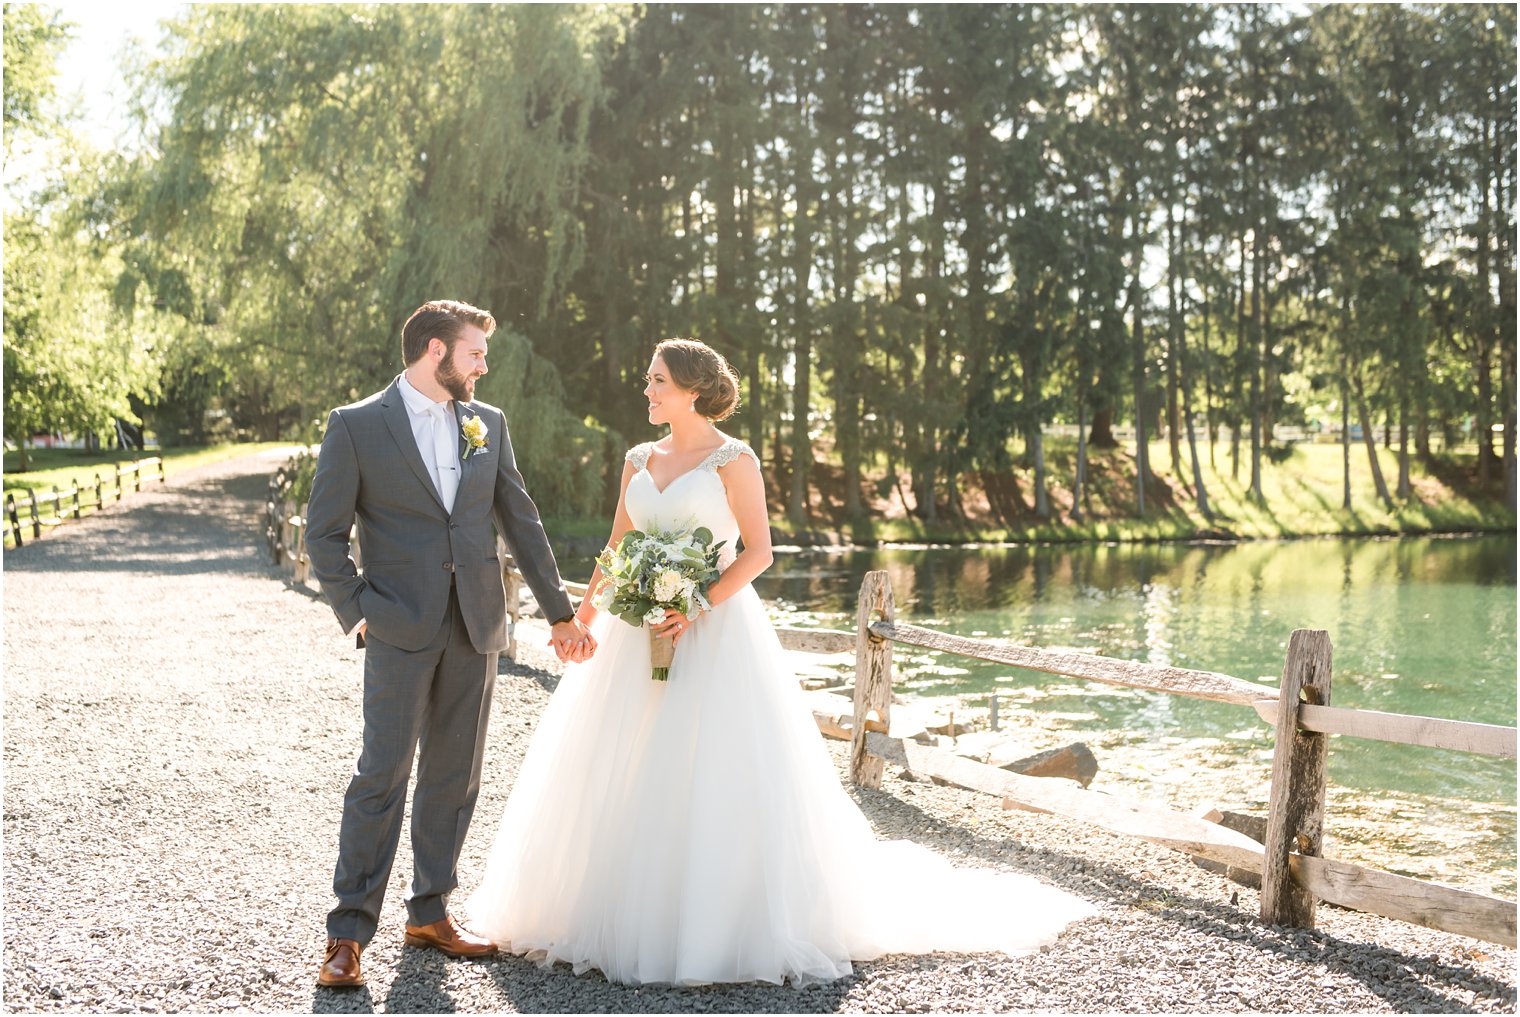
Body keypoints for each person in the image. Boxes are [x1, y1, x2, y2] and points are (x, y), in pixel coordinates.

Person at [464, 338, 1094, 986]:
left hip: (713, 631)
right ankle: (612, 906)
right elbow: (617, 546)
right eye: (648, 381)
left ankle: (711, 921)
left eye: (656, 381)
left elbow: (758, 551)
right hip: (637, 632)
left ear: (691, 388)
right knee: (624, 761)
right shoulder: (637, 458)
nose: (646, 392)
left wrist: (697, 602)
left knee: (713, 765)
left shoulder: (734, 460)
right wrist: (579, 623)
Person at [304, 299, 596, 988]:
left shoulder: (486, 423)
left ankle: (430, 909)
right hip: (397, 626)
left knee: (454, 774)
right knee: (380, 774)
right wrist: (358, 611)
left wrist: (560, 615)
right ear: (435, 350)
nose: (483, 366)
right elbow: (324, 533)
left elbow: (522, 523)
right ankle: (347, 933)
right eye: (475, 353)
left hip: (476, 624)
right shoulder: (355, 426)